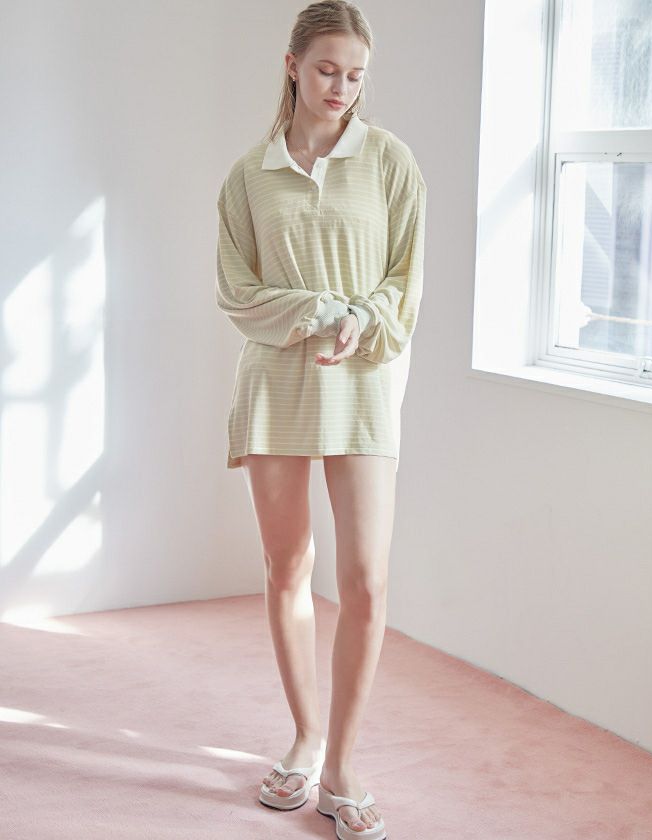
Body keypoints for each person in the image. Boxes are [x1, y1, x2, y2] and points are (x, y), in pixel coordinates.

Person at [215, 2, 427, 836]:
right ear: (294, 64)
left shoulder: (390, 162)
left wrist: (360, 320)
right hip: (275, 383)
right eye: (329, 69)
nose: (342, 87)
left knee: (367, 580)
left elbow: (406, 280)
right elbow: (237, 292)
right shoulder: (249, 175)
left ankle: (341, 765)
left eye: (356, 74)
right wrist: (319, 311)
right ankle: (304, 740)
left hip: (364, 382)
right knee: (287, 569)